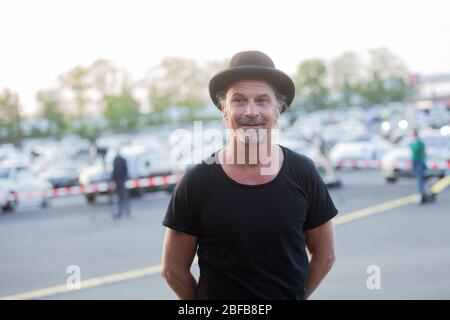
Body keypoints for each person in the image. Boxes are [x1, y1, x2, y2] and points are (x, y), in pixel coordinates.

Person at [161, 51, 338, 300]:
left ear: (279, 110)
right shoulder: (198, 182)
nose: (251, 111)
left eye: (263, 100)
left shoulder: (303, 172)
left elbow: (325, 255)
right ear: (224, 110)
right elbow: (172, 270)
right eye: (239, 100)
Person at [410, 129, 432, 204]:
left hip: (419, 161)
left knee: (420, 178)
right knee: (419, 177)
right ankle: (422, 192)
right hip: (415, 161)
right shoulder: (413, 142)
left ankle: (422, 193)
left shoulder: (419, 143)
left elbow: (421, 151)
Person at [112, 148, 130, 219]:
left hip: (121, 181)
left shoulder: (122, 160)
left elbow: (125, 170)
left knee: (124, 197)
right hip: (118, 181)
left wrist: (124, 180)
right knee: (120, 198)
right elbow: (114, 171)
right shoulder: (115, 160)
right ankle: (121, 212)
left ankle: (126, 211)